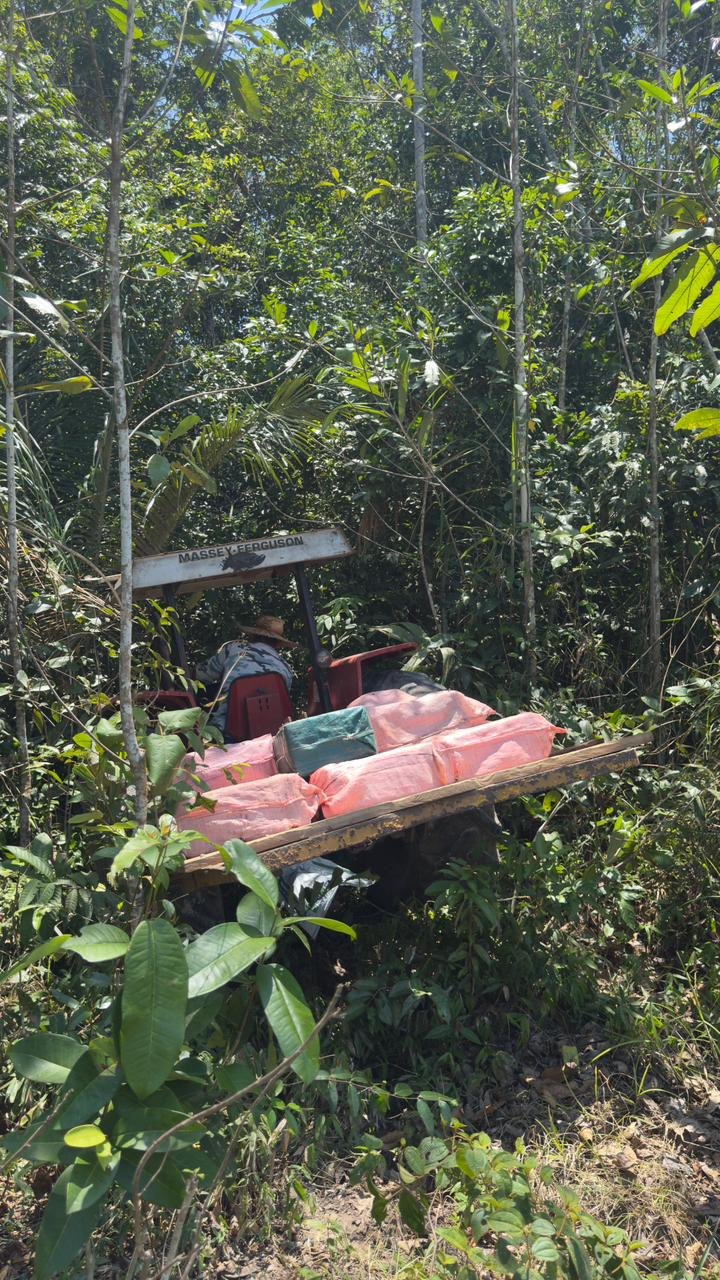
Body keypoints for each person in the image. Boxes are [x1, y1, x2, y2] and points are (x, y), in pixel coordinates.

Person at [196, 615, 295, 736]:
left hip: (225, 731)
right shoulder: (284, 667)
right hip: (271, 733)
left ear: (253, 635)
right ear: (278, 643)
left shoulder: (233, 649)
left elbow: (202, 675)